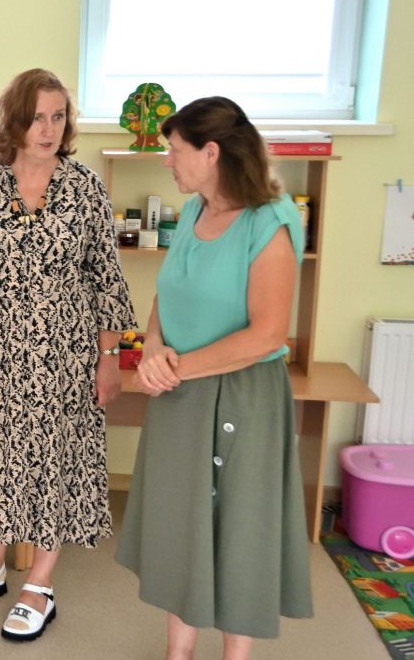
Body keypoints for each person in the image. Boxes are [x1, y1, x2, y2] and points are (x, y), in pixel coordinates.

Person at [0, 68, 135, 641]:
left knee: (54, 457)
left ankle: (40, 584)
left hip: (66, 351)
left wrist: (108, 358)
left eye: (58, 117)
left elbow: (106, 279)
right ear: (14, 122)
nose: (48, 129)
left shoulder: (85, 187)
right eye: (36, 118)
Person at [115, 96, 313, 658]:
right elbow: (167, 294)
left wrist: (172, 368)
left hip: (243, 397)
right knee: (182, 524)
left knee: (237, 530)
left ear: (211, 153)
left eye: (174, 150)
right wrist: (153, 349)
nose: (166, 161)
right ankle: (178, 651)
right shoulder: (193, 212)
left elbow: (266, 335)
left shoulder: (270, 222)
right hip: (181, 394)